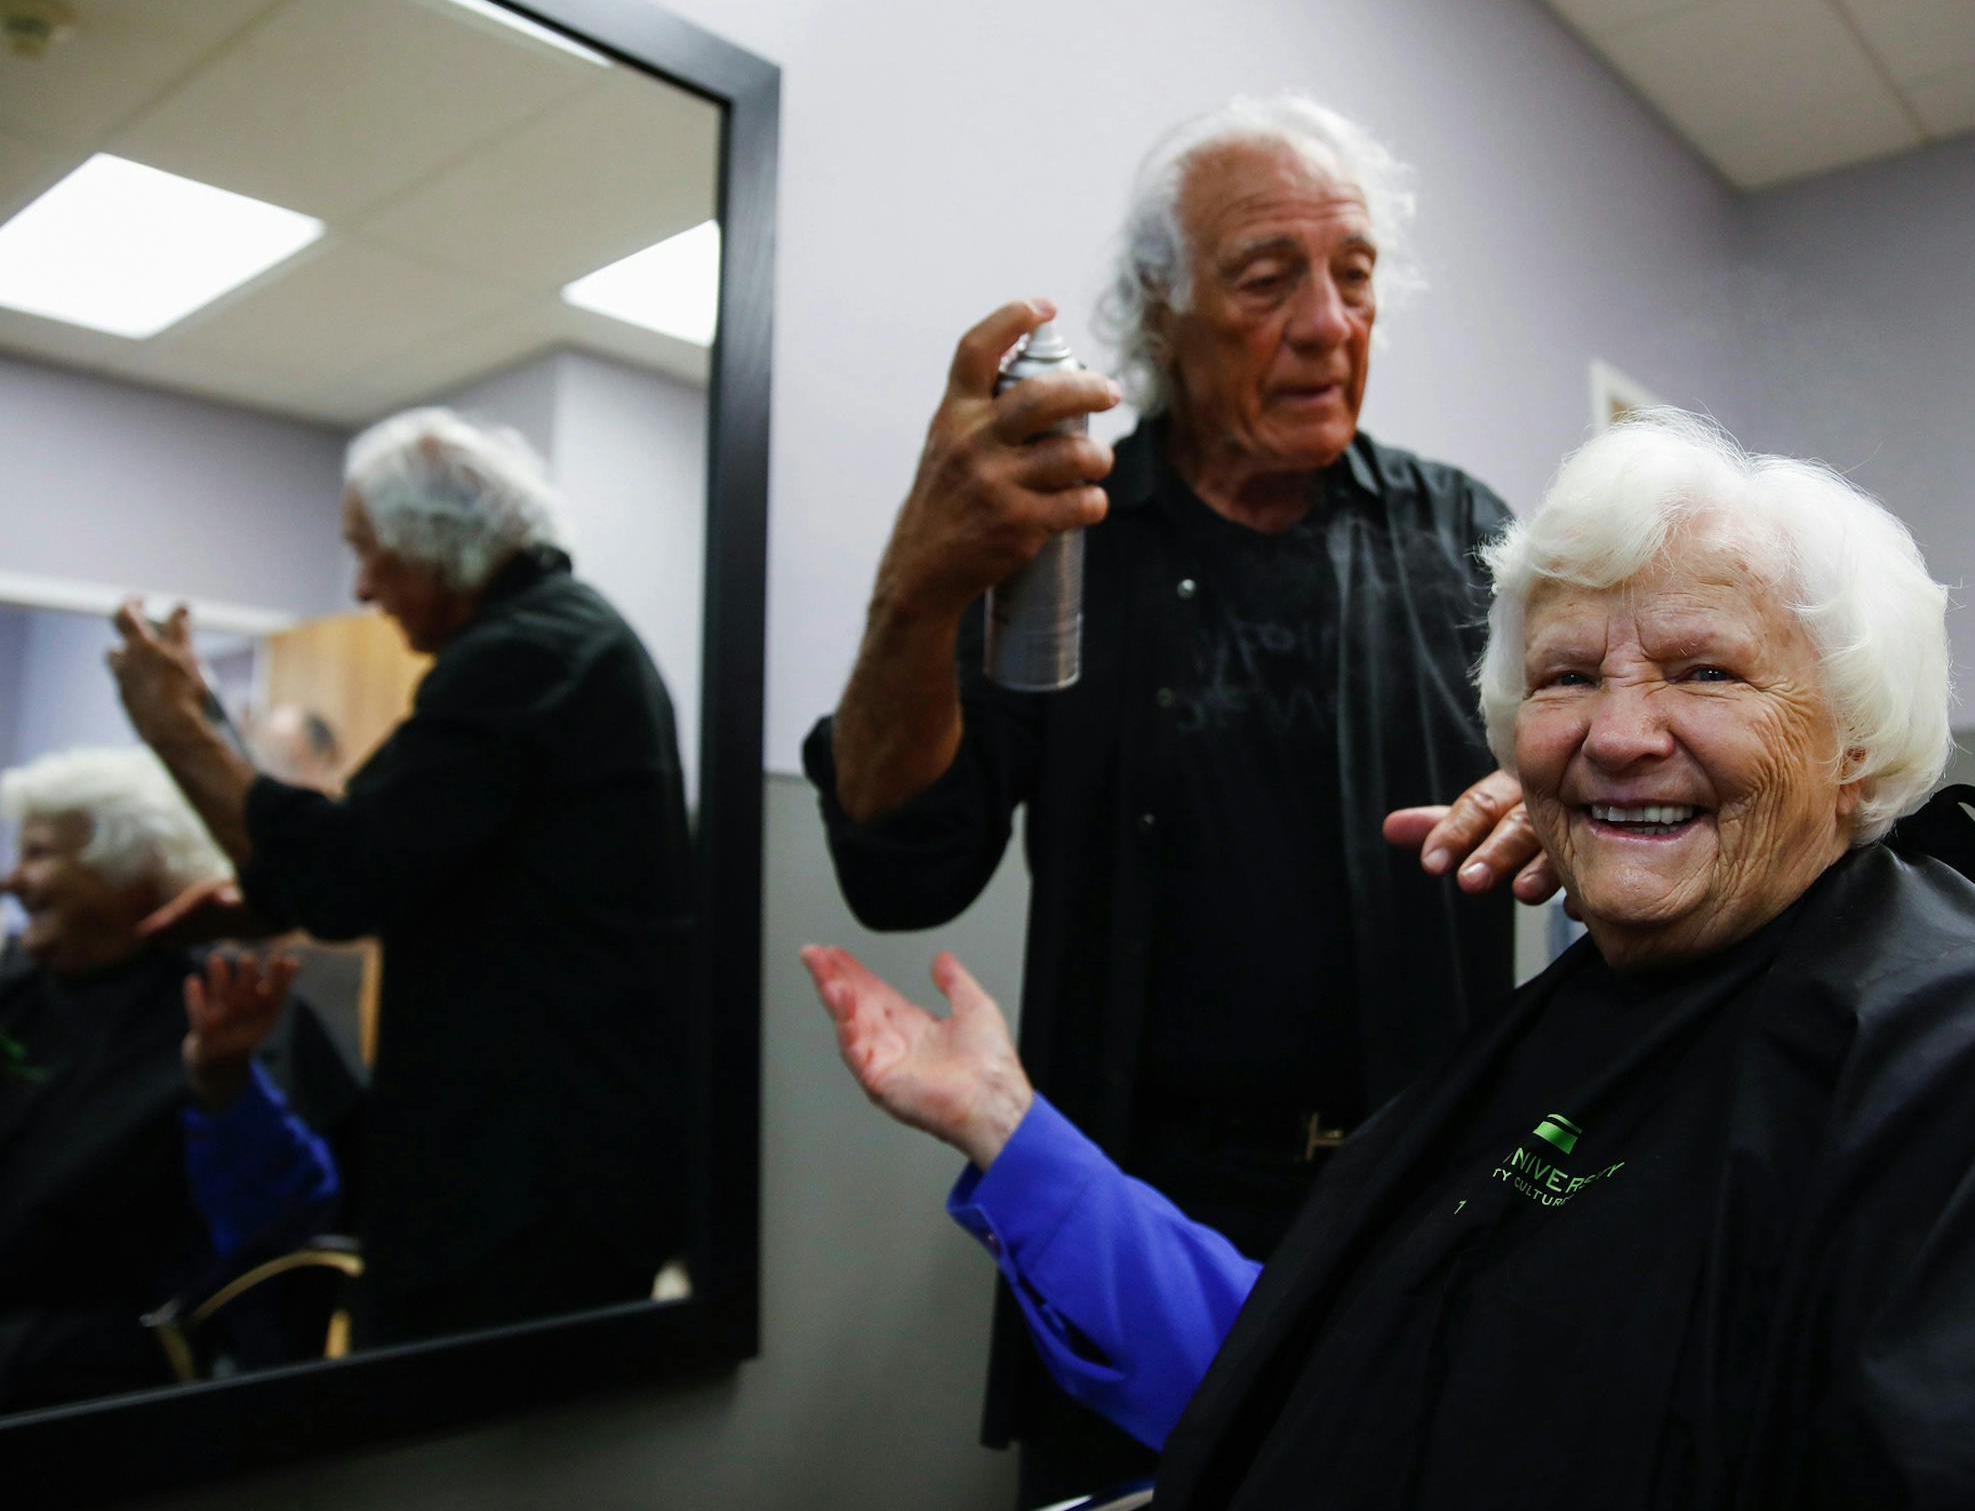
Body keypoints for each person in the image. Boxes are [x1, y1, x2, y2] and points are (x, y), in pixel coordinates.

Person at [807, 410, 1975, 1508]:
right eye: (1568, 679)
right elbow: (1323, 1358)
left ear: (1858, 733)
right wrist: (1010, 1128)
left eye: (1705, 672)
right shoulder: (1560, 1028)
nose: (1619, 731)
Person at [803, 94, 1550, 1499]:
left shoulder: (1464, 538)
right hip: (1120, 1224)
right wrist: (921, 575)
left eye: (1358, 273)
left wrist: (1552, 789)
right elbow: (902, 870)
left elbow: (1583, 790)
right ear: (1162, 310)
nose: (1330, 323)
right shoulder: (1057, 542)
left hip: (1419, 1219)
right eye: (1270, 279)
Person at [105, 407, 695, 1346]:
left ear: (438, 543)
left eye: (370, 551)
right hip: (568, 1168)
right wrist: (264, 900)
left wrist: (175, 726)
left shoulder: (529, 654)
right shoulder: (572, 644)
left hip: (525, 1190)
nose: (365, 586)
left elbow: (346, 875)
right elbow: (421, 851)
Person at [0, 747, 335, 1411]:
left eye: (39, 854)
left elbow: (282, 1228)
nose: (14, 880)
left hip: (108, 1389)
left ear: (132, 873)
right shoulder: (14, 992)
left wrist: (224, 1088)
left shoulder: (230, 1007)